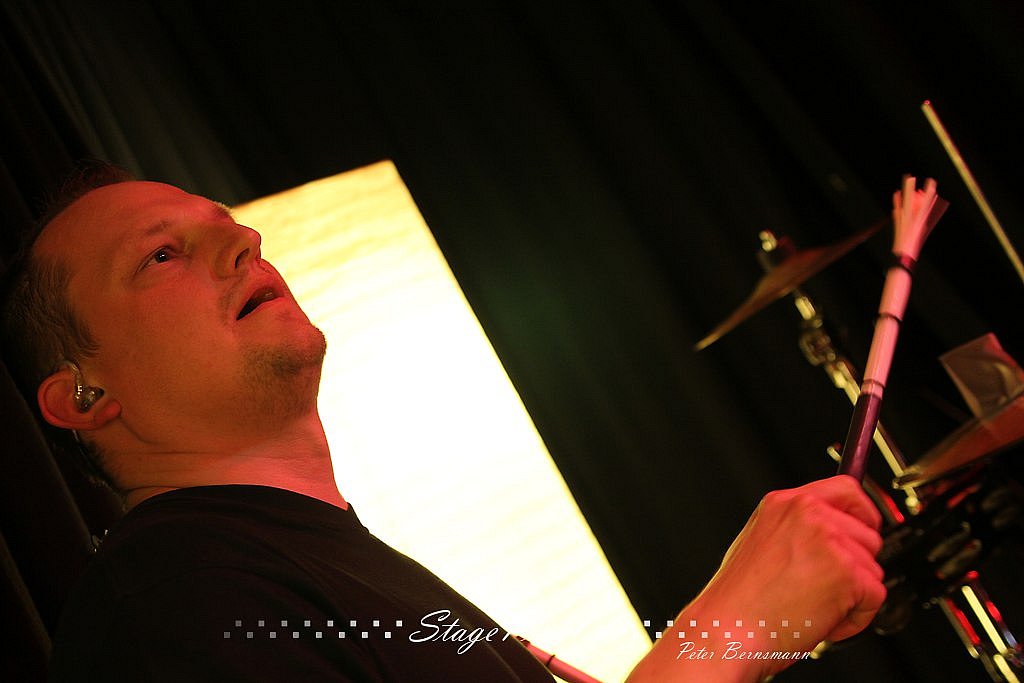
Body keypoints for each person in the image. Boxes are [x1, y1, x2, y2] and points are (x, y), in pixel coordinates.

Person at [0, 163, 886, 682]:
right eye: (162, 255)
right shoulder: (170, 605)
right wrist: (731, 626)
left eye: (229, 227)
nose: (245, 243)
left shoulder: (319, 558)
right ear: (83, 393)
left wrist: (759, 627)